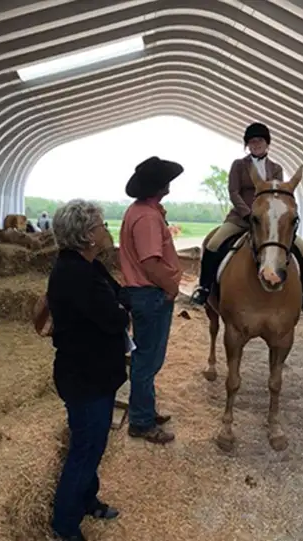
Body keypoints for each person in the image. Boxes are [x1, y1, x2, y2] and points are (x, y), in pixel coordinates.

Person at [45, 199, 128, 541]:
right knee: (86, 447)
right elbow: (114, 317)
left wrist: (120, 304)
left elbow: (118, 296)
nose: (107, 231)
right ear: (87, 236)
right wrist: (122, 310)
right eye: (102, 226)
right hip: (85, 375)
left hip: (96, 372)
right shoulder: (74, 273)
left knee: (94, 444)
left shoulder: (89, 265)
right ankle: (64, 525)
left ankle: (86, 499)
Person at [189, 122, 303, 311]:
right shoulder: (239, 165)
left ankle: (302, 294)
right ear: (247, 145)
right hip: (240, 218)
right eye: (251, 142)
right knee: (213, 244)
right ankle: (204, 288)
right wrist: (247, 213)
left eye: (259, 141)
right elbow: (234, 192)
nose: (255, 144)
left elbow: (277, 195)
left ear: (267, 143)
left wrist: (266, 217)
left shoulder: (276, 168)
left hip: (266, 221)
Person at [119, 156, 184, 444]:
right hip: (150, 293)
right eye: (166, 179)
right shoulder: (146, 217)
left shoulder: (146, 211)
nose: (170, 184)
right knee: (148, 360)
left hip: (146, 293)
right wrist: (170, 287)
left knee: (148, 358)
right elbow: (151, 263)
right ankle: (142, 422)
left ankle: (144, 409)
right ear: (159, 185)